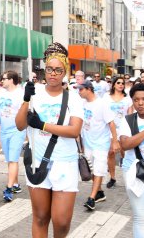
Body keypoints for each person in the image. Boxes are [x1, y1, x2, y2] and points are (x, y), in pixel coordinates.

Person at [16, 42, 84, 238]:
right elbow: (20, 125)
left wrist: (43, 125)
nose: (53, 73)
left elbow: (74, 131)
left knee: (61, 222)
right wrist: (26, 99)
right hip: (37, 162)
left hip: (65, 163)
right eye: (49, 69)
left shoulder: (73, 98)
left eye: (58, 70)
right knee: (40, 217)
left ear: (64, 73)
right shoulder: (33, 93)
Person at [78, 80, 120, 210]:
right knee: (90, 171)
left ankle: (91, 198)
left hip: (101, 143)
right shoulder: (83, 104)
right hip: (88, 143)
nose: (78, 92)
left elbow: (111, 123)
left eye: (81, 89)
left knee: (98, 170)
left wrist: (115, 141)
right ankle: (99, 192)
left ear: (88, 89)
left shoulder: (102, 104)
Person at [0, 70, 26, 201]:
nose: (2, 81)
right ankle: (15, 184)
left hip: (17, 130)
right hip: (4, 130)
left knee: (13, 160)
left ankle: (9, 188)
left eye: (4, 78)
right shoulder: (0, 91)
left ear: (11, 80)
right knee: (9, 160)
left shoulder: (21, 93)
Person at [120, 83, 144, 238]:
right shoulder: (128, 120)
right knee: (141, 217)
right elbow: (125, 144)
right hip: (133, 172)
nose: (140, 103)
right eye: (136, 100)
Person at [104, 76, 132, 189]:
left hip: (124, 129)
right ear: (114, 84)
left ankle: (129, 176)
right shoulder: (106, 97)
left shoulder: (127, 99)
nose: (121, 85)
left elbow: (130, 115)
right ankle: (112, 177)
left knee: (125, 153)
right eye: (118, 83)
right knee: (111, 152)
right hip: (110, 129)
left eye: (123, 83)